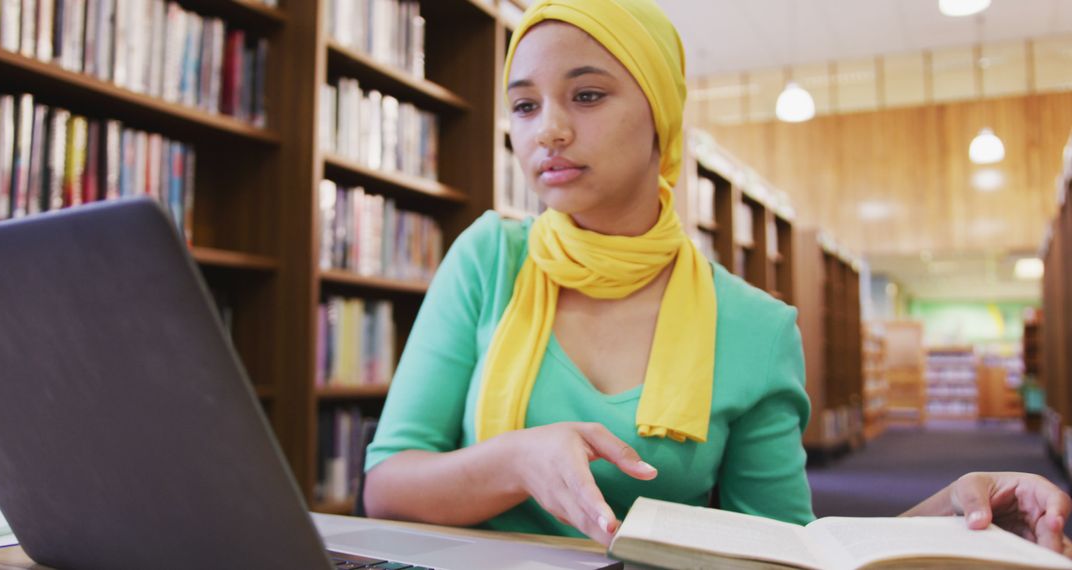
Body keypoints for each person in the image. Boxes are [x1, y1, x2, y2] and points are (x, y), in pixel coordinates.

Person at [362, 0, 1072, 555]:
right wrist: (517, 461)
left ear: (660, 122)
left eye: (586, 96)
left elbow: (786, 551)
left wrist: (950, 523)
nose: (546, 129)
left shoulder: (756, 326)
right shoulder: (488, 259)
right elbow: (386, 489)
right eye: (524, 105)